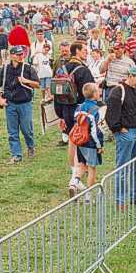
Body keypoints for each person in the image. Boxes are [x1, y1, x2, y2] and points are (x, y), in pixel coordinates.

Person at [105, 65, 136, 211]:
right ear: (130, 76)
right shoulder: (118, 91)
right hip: (126, 133)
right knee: (123, 167)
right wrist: (118, 128)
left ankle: (135, 196)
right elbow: (111, 113)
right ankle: (120, 200)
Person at [54, 42, 95, 194]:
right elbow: (90, 95)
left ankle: (74, 175)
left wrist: (60, 115)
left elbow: (57, 94)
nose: (87, 52)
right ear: (77, 51)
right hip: (81, 112)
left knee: (72, 141)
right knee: (84, 144)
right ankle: (75, 179)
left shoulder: (61, 69)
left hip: (65, 110)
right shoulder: (83, 70)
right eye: (84, 50)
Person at [0, 45, 40, 164]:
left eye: (22, 54)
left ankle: (31, 146)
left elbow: (38, 85)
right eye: (18, 54)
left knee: (26, 129)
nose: (21, 56)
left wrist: (26, 81)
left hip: (25, 104)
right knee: (12, 131)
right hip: (10, 104)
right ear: (11, 56)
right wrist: (0, 99)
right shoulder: (4, 69)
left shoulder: (28, 68)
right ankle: (16, 155)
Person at [72, 83, 104, 200]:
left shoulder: (79, 107)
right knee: (92, 168)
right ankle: (88, 195)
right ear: (94, 94)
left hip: (80, 141)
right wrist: (99, 145)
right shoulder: (95, 110)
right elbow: (95, 130)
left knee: (82, 165)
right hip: (91, 142)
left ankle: (75, 182)